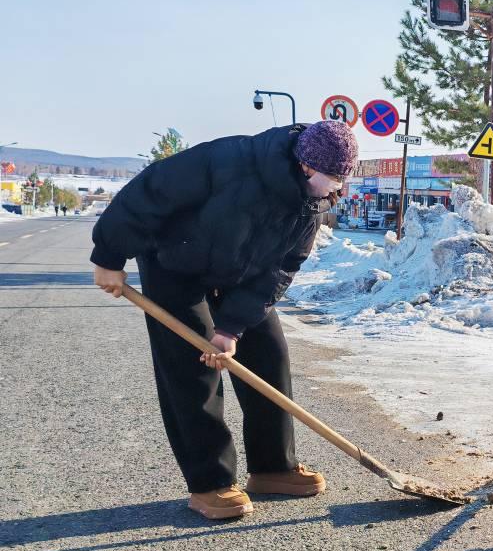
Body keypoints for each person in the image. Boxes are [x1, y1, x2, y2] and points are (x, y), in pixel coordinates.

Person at [91, 121, 358, 521]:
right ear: (306, 165)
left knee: (269, 355)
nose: (339, 187)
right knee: (194, 368)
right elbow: (149, 192)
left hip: (242, 275)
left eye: (343, 177)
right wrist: (108, 257)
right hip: (175, 265)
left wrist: (231, 328)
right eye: (335, 177)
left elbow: (281, 269)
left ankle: (272, 467)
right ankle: (210, 482)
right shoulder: (230, 160)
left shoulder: (312, 204)